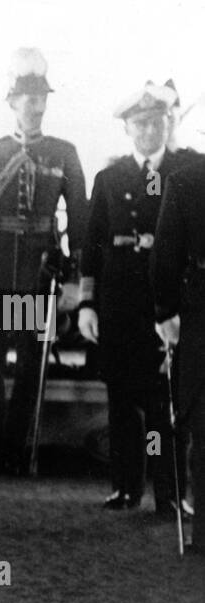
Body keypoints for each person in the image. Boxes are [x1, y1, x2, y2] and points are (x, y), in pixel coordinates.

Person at [0, 48, 88, 474]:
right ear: (12, 102)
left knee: (31, 364)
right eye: (28, 99)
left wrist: (75, 279)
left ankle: (18, 451)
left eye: (42, 99)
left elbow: (81, 221)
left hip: (41, 275)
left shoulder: (64, 153)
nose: (36, 106)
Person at [80, 83, 194, 515]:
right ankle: (126, 487)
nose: (148, 129)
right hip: (119, 303)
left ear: (170, 122)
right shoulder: (110, 179)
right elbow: (91, 245)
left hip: (169, 305)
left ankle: (169, 493)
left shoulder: (191, 172)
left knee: (165, 402)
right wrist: (87, 304)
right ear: (127, 128)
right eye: (139, 123)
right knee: (122, 400)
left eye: (156, 121)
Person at [152, 144, 205, 552]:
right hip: (200, 312)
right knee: (202, 423)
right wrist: (167, 314)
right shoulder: (185, 180)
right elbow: (165, 256)